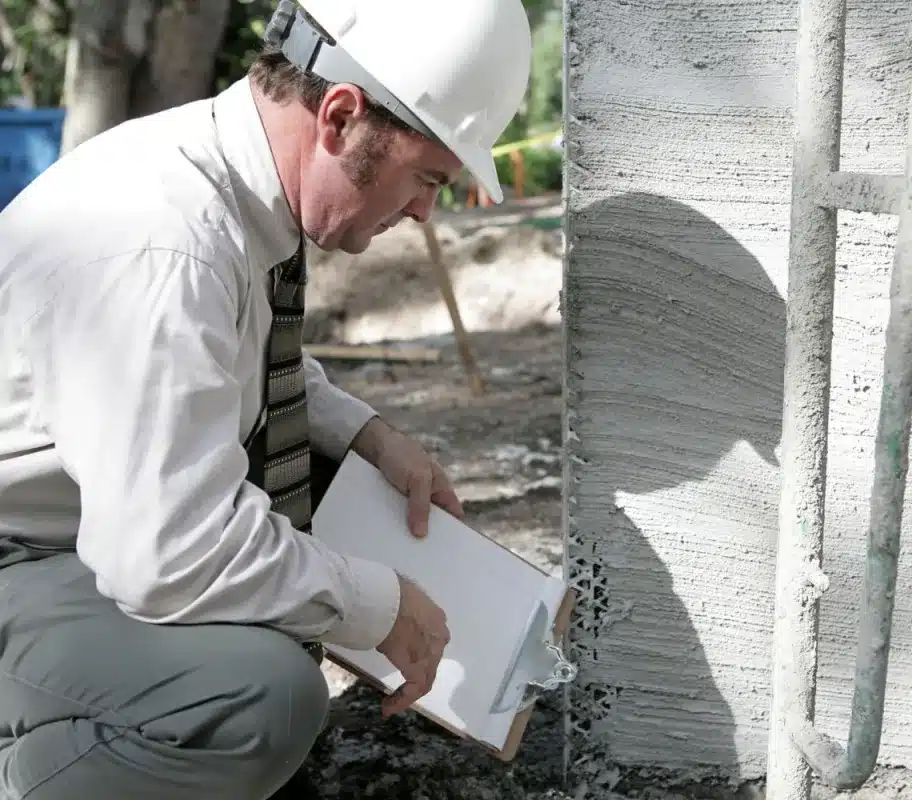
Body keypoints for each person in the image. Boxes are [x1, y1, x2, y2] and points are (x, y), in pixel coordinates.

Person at [0, 0, 532, 797]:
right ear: (342, 116)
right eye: (426, 178)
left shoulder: (223, 183)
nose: (425, 212)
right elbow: (167, 556)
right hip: (22, 549)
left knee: (327, 491)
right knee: (257, 696)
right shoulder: (163, 244)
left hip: (71, 520)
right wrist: (375, 604)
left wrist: (363, 433)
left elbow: (218, 357)